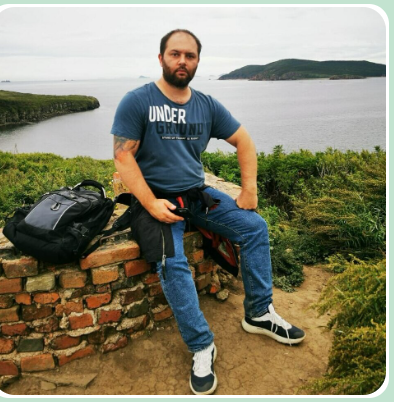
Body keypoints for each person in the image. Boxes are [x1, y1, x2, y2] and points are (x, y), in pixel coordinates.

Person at [111, 29, 305, 396]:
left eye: (190, 55)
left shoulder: (206, 105)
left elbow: (243, 140)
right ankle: (202, 345)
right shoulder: (137, 101)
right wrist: (150, 203)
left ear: (198, 61)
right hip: (154, 199)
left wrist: (249, 189)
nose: (182, 61)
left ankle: (259, 313)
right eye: (175, 54)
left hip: (196, 195)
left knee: (255, 227)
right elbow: (123, 156)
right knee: (171, 261)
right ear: (161, 58)